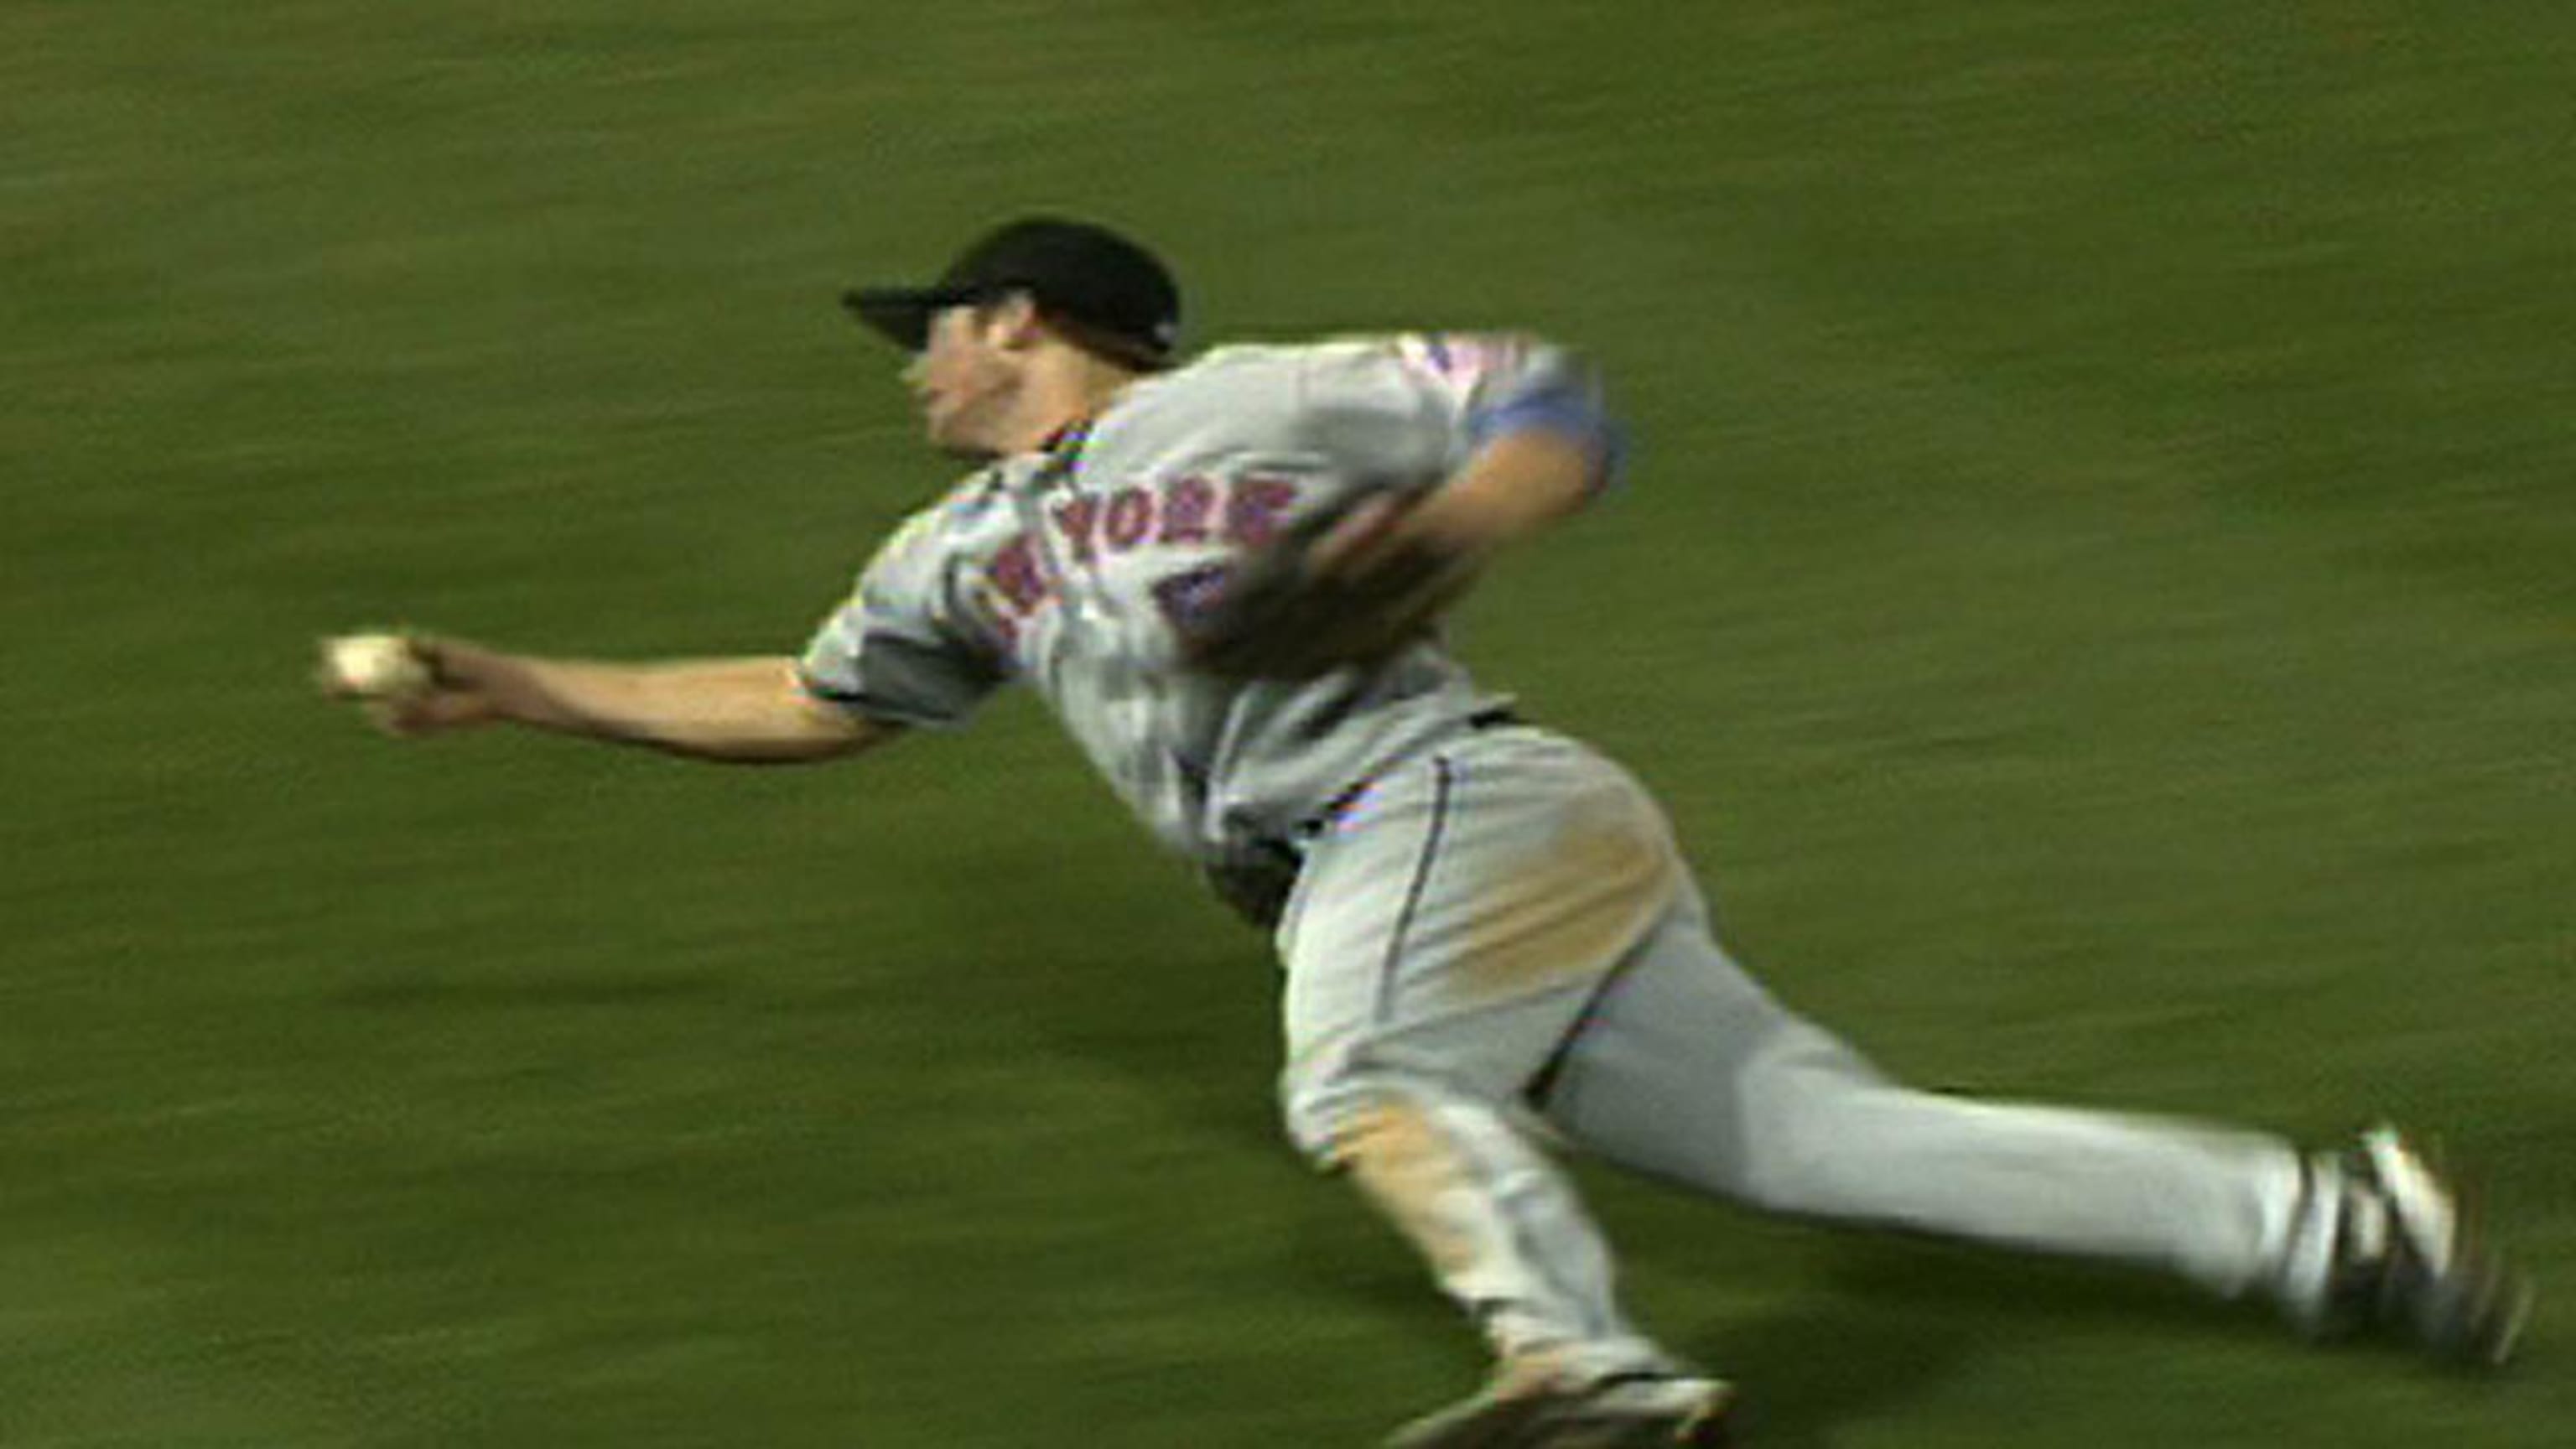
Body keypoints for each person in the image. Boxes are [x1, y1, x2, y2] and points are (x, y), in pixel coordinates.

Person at [325, 216, 2530, 1448]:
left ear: (1020, 320)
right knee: (1816, 1148)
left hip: (1452, 800)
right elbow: (809, 702)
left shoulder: (1257, 393)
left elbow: (1544, 395)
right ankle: (2332, 1226)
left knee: (1366, 1076)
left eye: (940, 331)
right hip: (1432, 858)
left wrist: (1464, 517)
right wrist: (525, 684)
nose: (916, 367)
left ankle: (1590, 1373)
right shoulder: (954, 546)